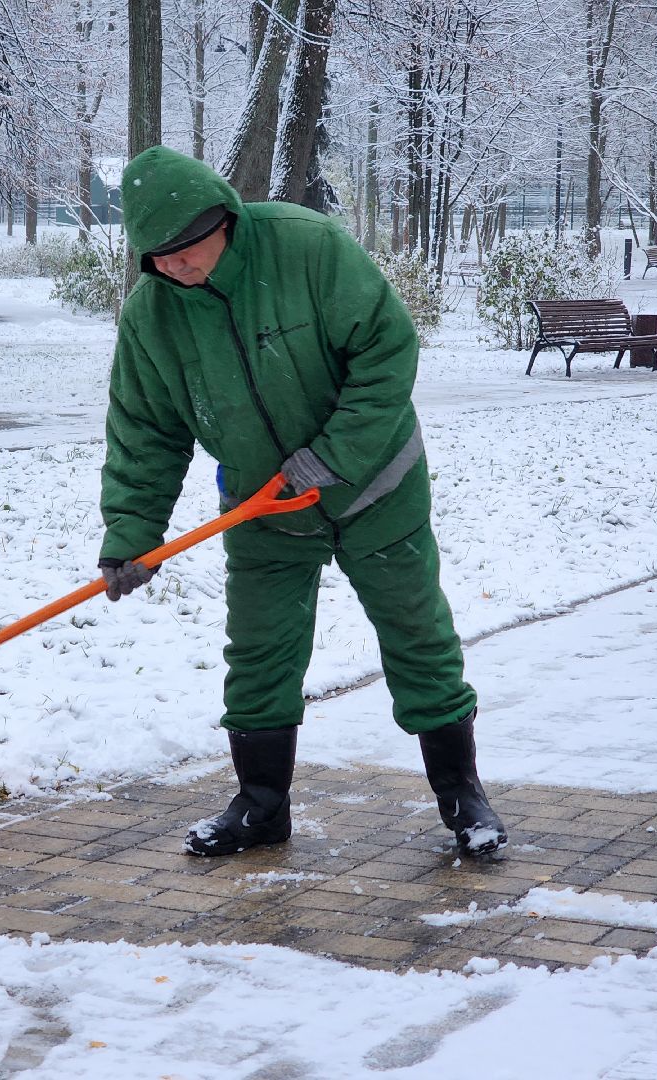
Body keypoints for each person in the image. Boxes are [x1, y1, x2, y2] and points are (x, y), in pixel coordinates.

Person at [97, 145, 507, 859]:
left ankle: (461, 792)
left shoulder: (306, 248)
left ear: (224, 220)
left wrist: (332, 457)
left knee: (417, 633)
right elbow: (145, 432)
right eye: (157, 257)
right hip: (262, 506)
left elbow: (386, 349)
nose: (174, 267)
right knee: (258, 650)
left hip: (376, 486)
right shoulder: (152, 316)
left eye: (186, 251)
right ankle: (261, 806)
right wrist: (132, 536)